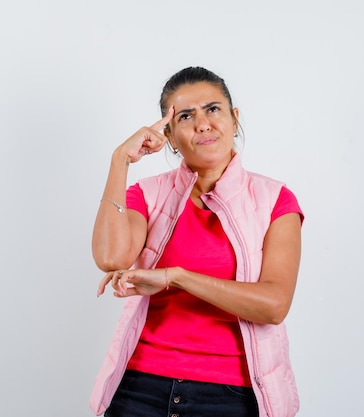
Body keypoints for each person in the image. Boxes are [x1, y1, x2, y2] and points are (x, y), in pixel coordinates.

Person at [90, 67, 304, 417]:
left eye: (213, 109)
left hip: (232, 395)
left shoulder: (274, 200)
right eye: (186, 116)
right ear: (171, 136)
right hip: (139, 388)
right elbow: (111, 258)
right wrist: (120, 161)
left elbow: (274, 304)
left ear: (235, 120)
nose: (202, 123)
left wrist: (176, 277)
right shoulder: (147, 194)